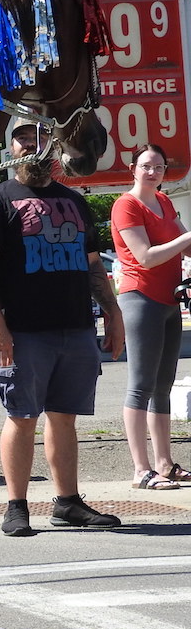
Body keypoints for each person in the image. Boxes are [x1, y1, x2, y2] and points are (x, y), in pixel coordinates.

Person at [0, 121, 125, 537]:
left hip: (75, 327)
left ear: (52, 145)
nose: (30, 144)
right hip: (23, 331)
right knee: (21, 416)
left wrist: (113, 313)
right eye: (21, 137)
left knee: (65, 417)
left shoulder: (74, 201)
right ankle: (16, 505)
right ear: (11, 149)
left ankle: (67, 502)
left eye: (38, 136)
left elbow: (94, 266)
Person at [110, 142, 191, 490]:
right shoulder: (125, 205)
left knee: (164, 386)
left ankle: (164, 463)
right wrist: (188, 236)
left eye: (158, 167)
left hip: (170, 299)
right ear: (133, 169)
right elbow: (145, 256)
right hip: (140, 297)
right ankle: (141, 470)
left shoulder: (165, 201)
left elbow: (184, 244)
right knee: (140, 386)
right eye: (146, 165)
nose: (153, 172)